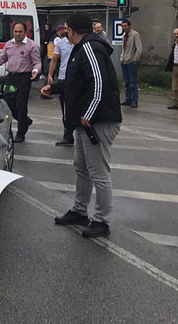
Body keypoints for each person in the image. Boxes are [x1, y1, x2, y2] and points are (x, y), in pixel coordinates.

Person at [41, 12, 122, 238]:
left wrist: (89, 113)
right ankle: (79, 210)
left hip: (97, 121)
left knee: (99, 172)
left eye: (66, 28)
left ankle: (102, 221)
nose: (64, 32)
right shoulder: (82, 48)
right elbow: (77, 82)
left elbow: (99, 83)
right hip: (85, 121)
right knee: (82, 167)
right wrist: (55, 88)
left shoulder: (90, 48)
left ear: (73, 29)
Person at [0, 22, 41, 143]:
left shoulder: (31, 45)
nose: (17, 34)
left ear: (25, 32)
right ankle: (24, 121)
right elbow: (2, 58)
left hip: (24, 78)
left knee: (21, 106)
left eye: (20, 31)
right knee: (8, 105)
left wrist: (36, 71)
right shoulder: (9, 44)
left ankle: (21, 133)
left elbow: (37, 62)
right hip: (11, 77)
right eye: (15, 31)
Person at [47, 22, 74, 146]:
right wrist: (50, 75)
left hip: (76, 79)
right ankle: (68, 135)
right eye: (64, 28)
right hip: (63, 78)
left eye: (67, 28)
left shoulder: (80, 42)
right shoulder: (61, 43)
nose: (66, 30)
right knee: (65, 108)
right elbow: (54, 59)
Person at [119, 20, 142, 108]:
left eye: (125, 26)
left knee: (133, 82)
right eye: (123, 26)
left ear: (129, 26)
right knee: (127, 82)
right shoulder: (124, 36)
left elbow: (139, 48)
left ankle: (134, 100)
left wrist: (134, 60)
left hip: (131, 62)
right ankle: (128, 99)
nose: (124, 28)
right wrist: (122, 58)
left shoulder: (135, 34)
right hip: (124, 61)